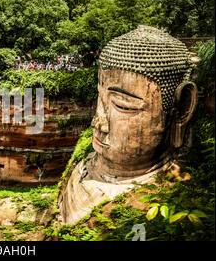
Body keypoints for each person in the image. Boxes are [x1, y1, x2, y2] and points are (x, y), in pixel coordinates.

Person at [58, 26, 198, 225]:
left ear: (181, 109)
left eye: (122, 105)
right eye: (100, 98)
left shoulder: (171, 202)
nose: (97, 122)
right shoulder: (82, 166)